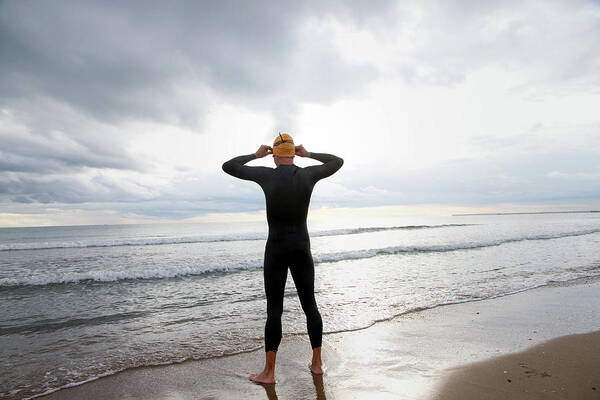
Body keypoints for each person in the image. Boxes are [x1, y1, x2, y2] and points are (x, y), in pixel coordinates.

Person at [222, 133, 343, 384]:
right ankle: (317, 364)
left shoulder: (266, 175)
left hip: (276, 249)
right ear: (293, 153)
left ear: (275, 154)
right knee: (310, 306)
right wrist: (308, 154)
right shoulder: (308, 175)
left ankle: (269, 373)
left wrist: (255, 156)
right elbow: (336, 161)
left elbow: (229, 166)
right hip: (302, 247)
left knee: (274, 311)